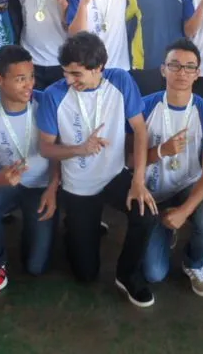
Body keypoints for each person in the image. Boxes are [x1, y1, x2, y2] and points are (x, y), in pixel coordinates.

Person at [37, 32, 157, 307]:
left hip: (114, 175)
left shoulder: (120, 81)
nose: (69, 80)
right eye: (66, 73)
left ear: (98, 68)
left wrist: (138, 180)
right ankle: (77, 226)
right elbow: (46, 148)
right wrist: (80, 149)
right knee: (85, 274)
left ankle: (127, 275)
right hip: (78, 184)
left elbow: (140, 130)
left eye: (76, 74)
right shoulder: (54, 95)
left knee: (145, 212)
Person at [0, 46, 60, 312]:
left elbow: (58, 154)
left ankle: (43, 231)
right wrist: (0, 179)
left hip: (43, 186)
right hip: (7, 184)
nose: (29, 84)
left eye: (31, 76)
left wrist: (53, 188)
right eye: (20, 78)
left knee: (36, 266)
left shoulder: (46, 104)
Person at [137, 38, 203, 297]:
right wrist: (161, 151)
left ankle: (193, 263)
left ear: (198, 74)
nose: (182, 73)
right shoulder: (144, 106)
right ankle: (165, 229)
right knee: (153, 273)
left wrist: (185, 212)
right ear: (163, 69)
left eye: (189, 67)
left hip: (188, 184)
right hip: (153, 189)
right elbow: (130, 161)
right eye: (174, 65)